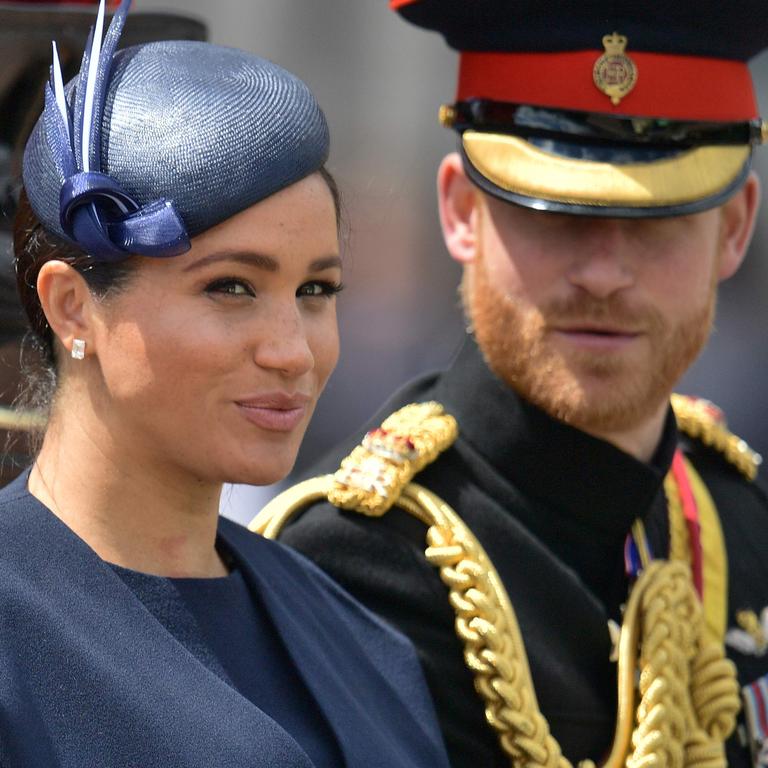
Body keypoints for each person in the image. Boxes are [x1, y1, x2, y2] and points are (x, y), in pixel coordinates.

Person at [257, 2, 768, 768]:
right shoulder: (355, 565)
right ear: (462, 211)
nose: (603, 274)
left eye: (656, 221)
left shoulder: (739, 515)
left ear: (734, 229)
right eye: (554, 215)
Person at [0, 1, 452, 766]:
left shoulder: (362, 644)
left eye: (316, 291)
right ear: (71, 307)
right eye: (232, 288)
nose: (291, 351)